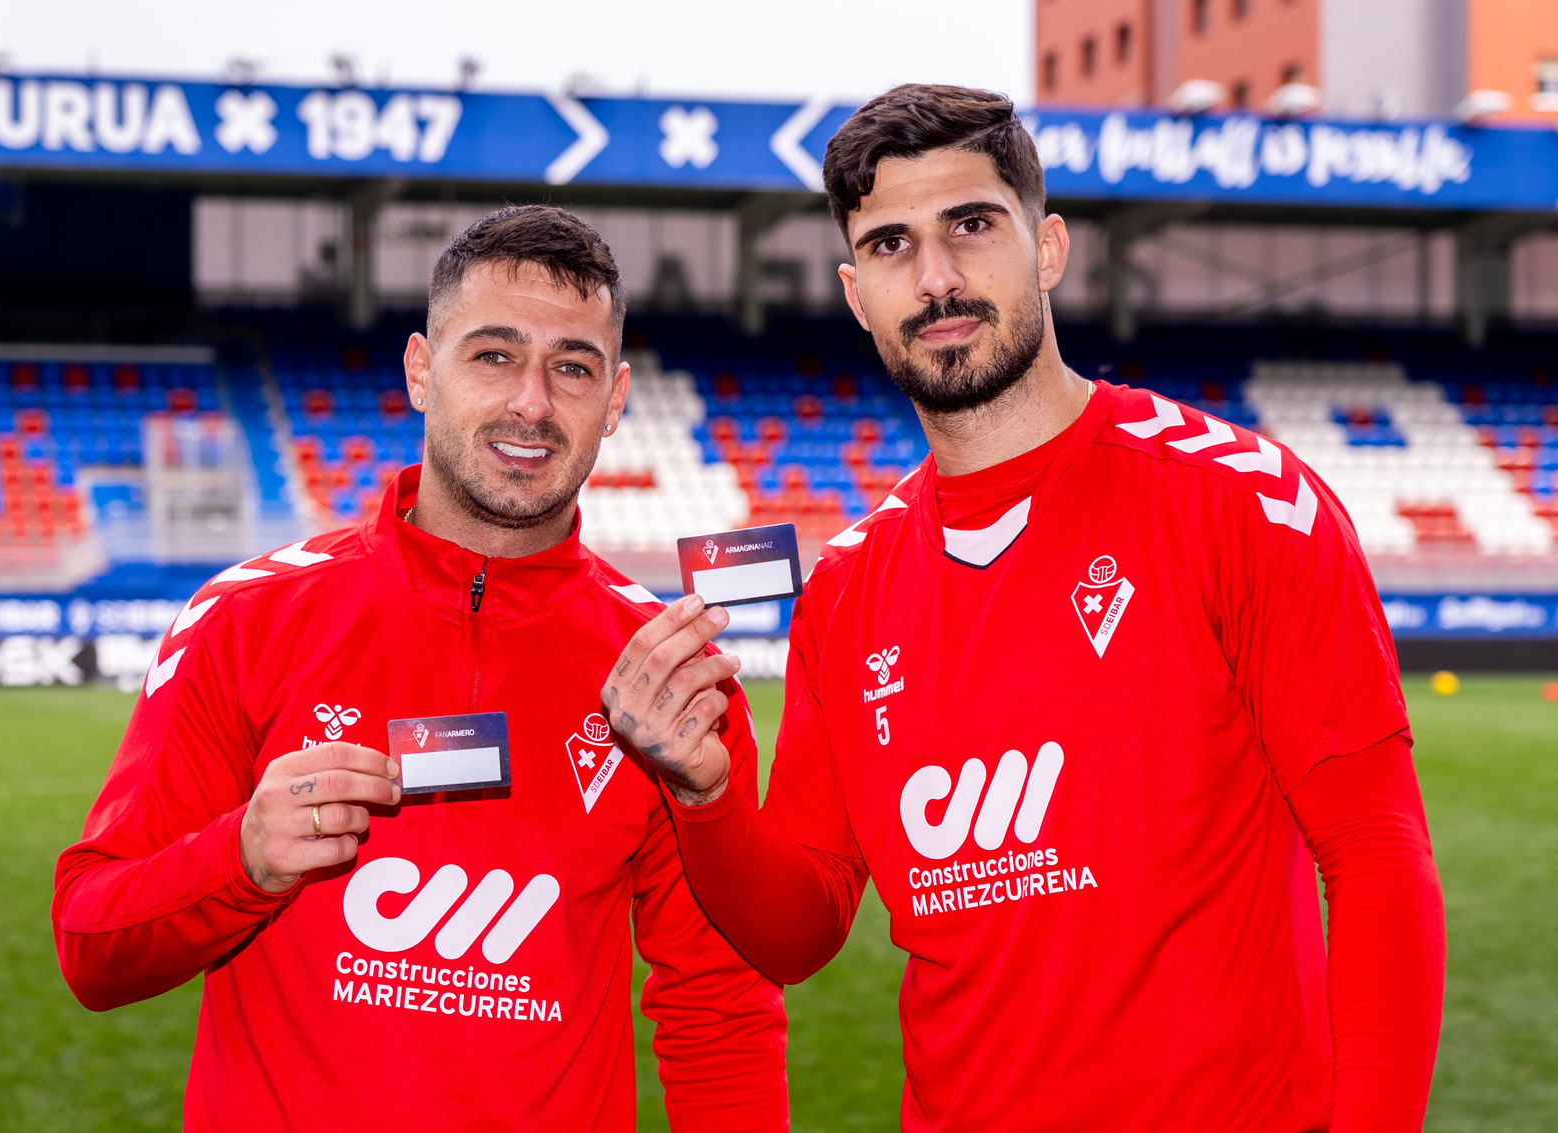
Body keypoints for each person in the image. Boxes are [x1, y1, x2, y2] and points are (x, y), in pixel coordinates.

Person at [602, 85, 1446, 1132]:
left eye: (970, 225)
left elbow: (1374, 859)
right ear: (855, 293)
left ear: (1045, 247)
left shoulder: (1242, 499)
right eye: (890, 246)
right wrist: (705, 793)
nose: (937, 277)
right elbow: (799, 928)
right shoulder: (849, 588)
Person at [53, 205, 787, 1132]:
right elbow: (91, 944)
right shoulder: (247, 616)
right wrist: (239, 857)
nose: (532, 400)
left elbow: (718, 1009)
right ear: (419, 371)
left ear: (617, 398)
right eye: (492, 354)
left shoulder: (673, 676)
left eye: (572, 366)